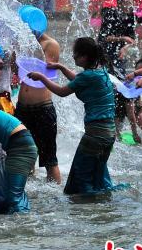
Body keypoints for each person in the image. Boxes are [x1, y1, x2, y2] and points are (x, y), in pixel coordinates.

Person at [28, 37, 122, 196]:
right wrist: (60, 67)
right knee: (98, 175)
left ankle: (85, 211)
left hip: (96, 135)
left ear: (84, 57)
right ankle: (104, 206)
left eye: (76, 54)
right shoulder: (100, 71)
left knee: (80, 178)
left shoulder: (88, 76)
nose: (73, 57)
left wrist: (42, 78)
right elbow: (78, 80)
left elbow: (62, 92)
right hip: (108, 134)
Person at [14, 26, 62, 183]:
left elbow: (44, 70)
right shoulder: (23, 43)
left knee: (49, 159)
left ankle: (54, 195)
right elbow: (17, 71)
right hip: (22, 108)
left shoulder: (50, 44)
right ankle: (29, 192)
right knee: (24, 155)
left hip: (42, 108)